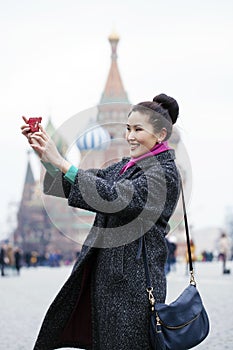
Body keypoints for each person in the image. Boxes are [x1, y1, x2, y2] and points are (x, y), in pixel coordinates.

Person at [21, 93, 181, 350]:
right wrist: (45, 154)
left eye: (138, 129)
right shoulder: (125, 167)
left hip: (135, 283)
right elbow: (73, 183)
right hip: (108, 278)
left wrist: (62, 161)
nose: (129, 136)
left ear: (160, 135)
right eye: (128, 128)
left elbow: (114, 197)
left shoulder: (164, 173)